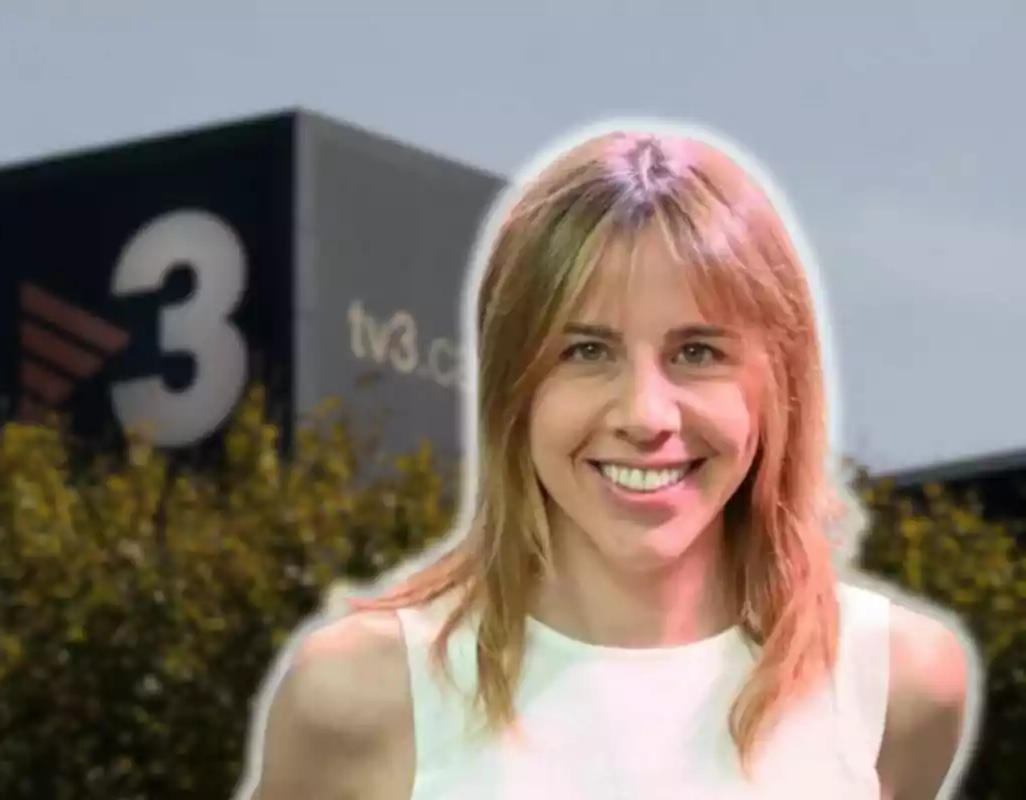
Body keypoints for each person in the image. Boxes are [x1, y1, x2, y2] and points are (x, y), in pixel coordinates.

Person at [241, 123, 979, 799]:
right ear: (511, 386)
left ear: (778, 382)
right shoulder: (358, 696)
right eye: (585, 351)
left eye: (697, 352)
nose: (645, 417)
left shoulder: (900, 684)